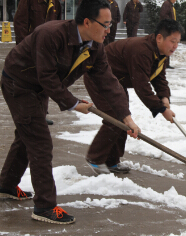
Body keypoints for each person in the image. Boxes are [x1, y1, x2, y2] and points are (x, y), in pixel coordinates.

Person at [0, 0, 139, 224]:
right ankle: (45, 207)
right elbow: (47, 76)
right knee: (39, 142)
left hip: (39, 87)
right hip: (20, 84)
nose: (109, 30)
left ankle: (6, 185)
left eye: (110, 24)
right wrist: (73, 103)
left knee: (28, 135)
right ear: (87, 21)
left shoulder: (94, 46)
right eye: (105, 24)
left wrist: (127, 117)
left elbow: (109, 82)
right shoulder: (51, 34)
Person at [83, 19, 183, 175]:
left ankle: (111, 161)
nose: (175, 46)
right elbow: (141, 85)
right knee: (115, 117)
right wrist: (161, 109)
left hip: (116, 82)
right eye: (172, 41)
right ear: (159, 38)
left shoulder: (161, 52)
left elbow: (159, 78)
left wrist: (165, 98)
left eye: (178, 42)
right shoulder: (142, 50)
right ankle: (95, 158)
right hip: (99, 78)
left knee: (122, 118)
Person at [14, 0, 62, 125]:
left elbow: (58, 25)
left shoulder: (55, 2)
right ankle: (28, 116)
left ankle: (41, 114)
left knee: (44, 82)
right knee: (29, 82)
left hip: (48, 49)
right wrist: (23, 48)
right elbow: (20, 23)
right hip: (30, 49)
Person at [159, 0, 176, 69]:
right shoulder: (166, 4)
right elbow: (163, 15)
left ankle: (166, 63)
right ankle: (164, 63)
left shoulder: (170, 4)